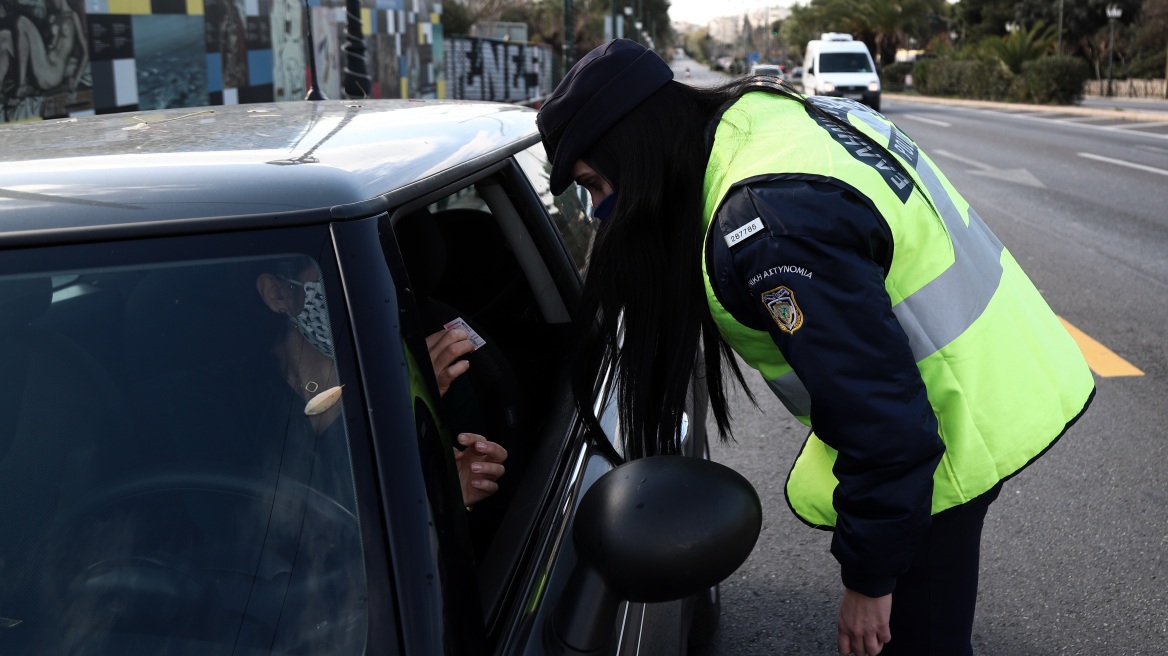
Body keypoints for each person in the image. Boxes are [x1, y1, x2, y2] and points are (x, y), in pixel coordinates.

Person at [536, 39, 1094, 656]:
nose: (598, 210)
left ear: (636, 148)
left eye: (594, 183)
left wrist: (870, 581)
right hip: (972, 391)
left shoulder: (767, 225)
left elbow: (881, 418)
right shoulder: (767, 118)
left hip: (941, 440)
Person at [255, 260, 508, 507]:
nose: (363, 291)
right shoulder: (249, 391)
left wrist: (448, 495)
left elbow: (450, 495)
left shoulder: (435, 373)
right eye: (336, 273)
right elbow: (262, 511)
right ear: (277, 294)